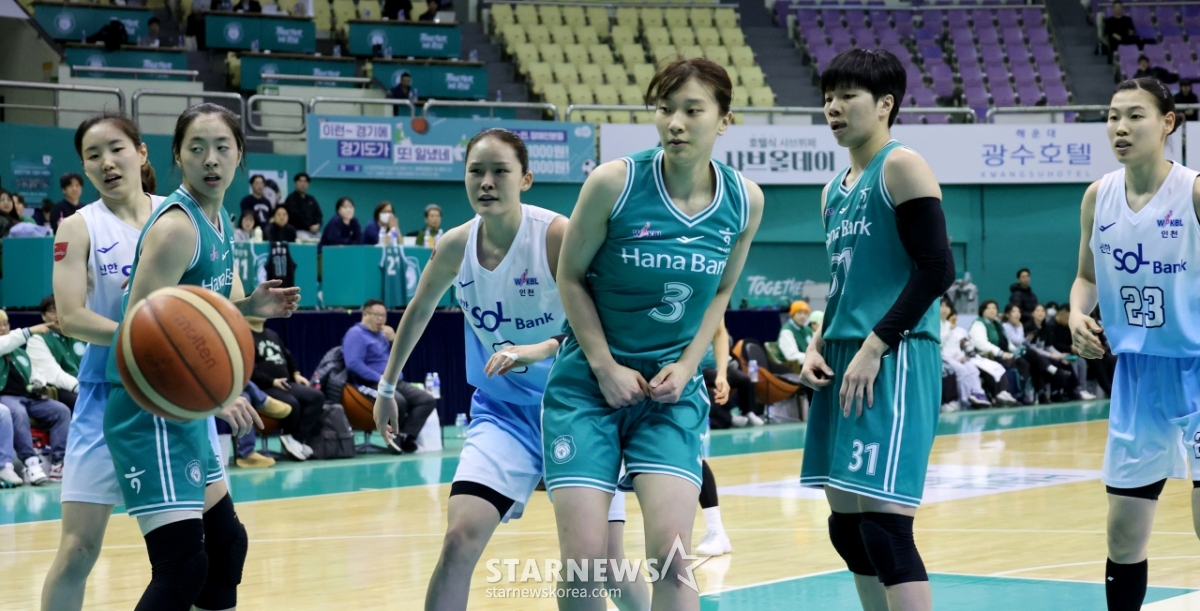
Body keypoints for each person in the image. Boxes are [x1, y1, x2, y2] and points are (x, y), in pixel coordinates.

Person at [372, 128, 649, 611]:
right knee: (458, 539)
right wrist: (386, 387)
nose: (486, 181)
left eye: (500, 171)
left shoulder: (555, 235)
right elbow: (418, 310)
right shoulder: (456, 246)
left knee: (602, 567)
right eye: (476, 171)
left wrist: (542, 348)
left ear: (526, 179)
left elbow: (607, 316)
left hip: (578, 409)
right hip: (503, 413)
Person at [542, 57, 763, 610]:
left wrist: (689, 367)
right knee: (587, 562)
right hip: (589, 386)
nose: (675, 123)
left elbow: (720, 292)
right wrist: (604, 366)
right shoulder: (613, 182)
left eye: (693, 110)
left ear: (724, 120)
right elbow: (570, 276)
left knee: (671, 557)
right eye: (665, 109)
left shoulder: (744, 201)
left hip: (670, 393)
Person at [101, 103, 299, 611]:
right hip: (148, 409)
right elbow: (137, 337)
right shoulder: (178, 228)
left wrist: (251, 307)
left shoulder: (219, 218)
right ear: (177, 156)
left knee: (227, 546)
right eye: (197, 148)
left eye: (221, 147)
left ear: (240, 155)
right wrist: (214, 397)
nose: (211, 159)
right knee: (182, 568)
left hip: (181, 407)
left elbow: (206, 310)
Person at [797, 49, 955, 611]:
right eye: (828, 97)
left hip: (894, 354)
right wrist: (817, 343)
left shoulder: (901, 166)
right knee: (848, 527)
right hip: (844, 355)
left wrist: (875, 345)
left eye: (848, 96)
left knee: (885, 529)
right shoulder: (831, 190)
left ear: (885, 104)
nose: (833, 107)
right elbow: (845, 282)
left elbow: (937, 269)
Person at [1069, 78, 1200, 611]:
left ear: (1168, 123)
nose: (1120, 127)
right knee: (1123, 535)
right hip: (1137, 375)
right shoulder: (1098, 196)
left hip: (1197, 367)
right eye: (1113, 116)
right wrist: (1076, 314)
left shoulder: (1193, 192)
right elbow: (1085, 277)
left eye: (1135, 116)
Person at [40, 113, 166, 611]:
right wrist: (146, 338)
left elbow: (217, 300)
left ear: (141, 152)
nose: (107, 162)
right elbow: (71, 317)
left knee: (201, 548)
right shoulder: (78, 226)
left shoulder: (177, 217)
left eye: (116, 149)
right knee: (77, 549)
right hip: (106, 397)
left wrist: (249, 307)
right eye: (93, 156)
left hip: (174, 401)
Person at [344, 299, 432, 453]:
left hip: (394, 381)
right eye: (377, 315)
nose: (381, 319)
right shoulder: (355, 334)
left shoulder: (383, 334)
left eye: (384, 316)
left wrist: (394, 339)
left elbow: (396, 356)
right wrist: (380, 379)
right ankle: (393, 438)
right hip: (368, 383)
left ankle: (406, 437)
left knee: (426, 400)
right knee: (398, 400)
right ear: (365, 314)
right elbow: (353, 364)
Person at [0, 310, 66, 485]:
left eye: (5, 324)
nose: (3, 328)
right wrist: (30, 330)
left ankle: (58, 463)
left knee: (61, 411)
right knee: (17, 412)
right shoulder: (5, 344)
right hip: (6, 397)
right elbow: (6, 342)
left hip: (30, 397)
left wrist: (38, 382)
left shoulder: (19, 353)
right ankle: (31, 463)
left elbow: (34, 373)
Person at [246, 316, 322, 461]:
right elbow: (249, 370)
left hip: (285, 383)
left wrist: (296, 374)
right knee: (292, 403)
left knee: (316, 397)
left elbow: (288, 356)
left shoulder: (272, 334)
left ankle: (295, 440)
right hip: (263, 387)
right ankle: (289, 438)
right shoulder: (245, 336)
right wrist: (272, 381)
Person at [27, 295, 84, 411]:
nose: (59, 315)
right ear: (43, 316)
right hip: (62, 389)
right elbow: (53, 373)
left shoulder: (80, 334)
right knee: (84, 403)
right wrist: (78, 387)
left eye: (63, 310)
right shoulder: (37, 339)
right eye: (53, 311)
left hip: (88, 387)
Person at [702, 318, 759, 428]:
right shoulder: (695, 331)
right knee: (718, 387)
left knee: (744, 379)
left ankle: (748, 411)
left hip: (720, 366)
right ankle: (728, 417)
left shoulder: (717, 329)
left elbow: (724, 343)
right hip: (703, 368)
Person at [939, 299, 990, 410]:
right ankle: (965, 400)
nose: (945, 309)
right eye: (942, 306)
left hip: (955, 357)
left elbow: (955, 346)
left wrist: (961, 356)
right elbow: (940, 343)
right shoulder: (937, 325)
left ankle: (978, 394)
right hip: (943, 356)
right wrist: (948, 330)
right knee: (962, 371)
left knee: (973, 369)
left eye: (947, 306)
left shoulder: (950, 325)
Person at [283, 172, 322, 240]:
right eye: (300, 181)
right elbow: (296, 216)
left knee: (324, 239)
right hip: (298, 231)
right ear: (295, 183)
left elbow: (318, 214)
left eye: (305, 182)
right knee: (306, 240)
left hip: (313, 231)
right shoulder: (291, 199)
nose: (303, 184)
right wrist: (309, 226)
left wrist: (318, 224)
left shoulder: (311, 199)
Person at [778, 300, 813, 370]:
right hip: (791, 369)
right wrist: (814, 358)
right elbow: (792, 356)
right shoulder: (787, 331)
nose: (803, 316)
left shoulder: (808, 330)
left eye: (805, 313)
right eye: (799, 313)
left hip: (808, 365)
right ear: (792, 315)